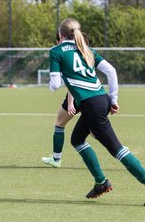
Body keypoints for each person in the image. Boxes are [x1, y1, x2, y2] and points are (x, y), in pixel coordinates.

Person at [49, 18, 145, 199]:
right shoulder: (86, 49)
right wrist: (113, 99)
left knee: (117, 149)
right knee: (77, 139)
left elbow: (54, 85)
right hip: (101, 99)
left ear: (61, 35)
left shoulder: (56, 51)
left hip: (91, 105)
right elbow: (111, 71)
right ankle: (101, 182)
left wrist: (58, 77)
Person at [42, 32, 88, 168]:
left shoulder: (63, 54)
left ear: (60, 40)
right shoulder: (84, 53)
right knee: (95, 131)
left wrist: (70, 103)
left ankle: (56, 160)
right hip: (91, 95)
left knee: (60, 124)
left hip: (77, 96)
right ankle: (119, 149)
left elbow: (72, 83)